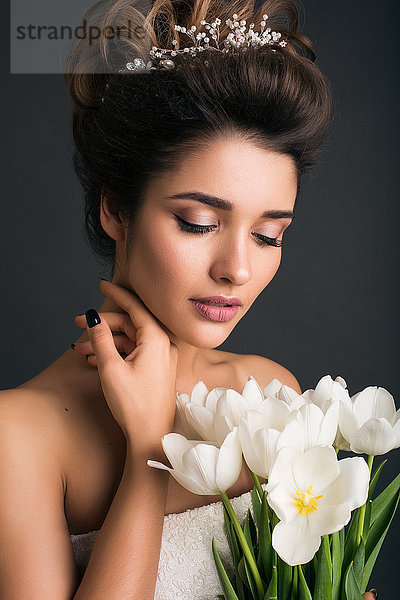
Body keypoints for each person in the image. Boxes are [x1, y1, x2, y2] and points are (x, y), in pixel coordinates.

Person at [0, 0, 378, 598]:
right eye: (199, 222)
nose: (237, 269)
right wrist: (147, 454)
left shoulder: (270, 395)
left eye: (268, 235)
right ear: (115, 209)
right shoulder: (16, 438)